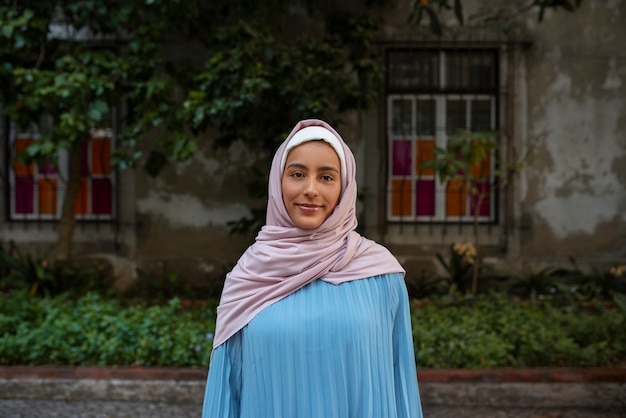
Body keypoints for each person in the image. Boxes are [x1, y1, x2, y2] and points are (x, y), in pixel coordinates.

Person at [202, 119, 423, 418]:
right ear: (277, 182)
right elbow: (227, 391)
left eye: (327, 177)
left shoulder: (381, 274)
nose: (310, 189)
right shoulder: (249, 277)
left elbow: (401, 383)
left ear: (344, 188)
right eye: (297, 174)